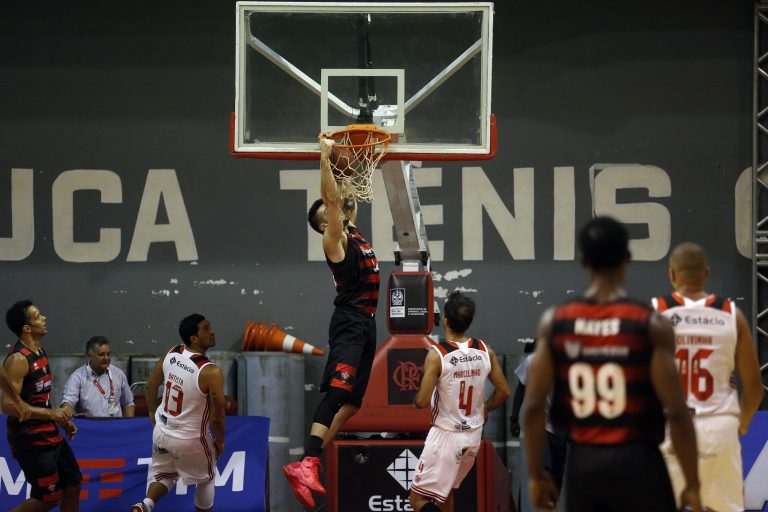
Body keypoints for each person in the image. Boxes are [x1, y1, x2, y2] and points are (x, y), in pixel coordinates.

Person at [523, 217, 702, 512]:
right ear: (627, 257)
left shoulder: (556, 322)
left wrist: (534, 475)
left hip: (584, 465)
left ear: (583, 261)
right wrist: (692, 482)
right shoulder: (650, 324)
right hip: (639, 461)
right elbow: (676, 411)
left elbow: (532, 407)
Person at [283, 135, 380, 509]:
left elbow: (345, 198)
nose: (337, 206)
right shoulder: (333, 240)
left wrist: (348, 167)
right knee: (338, 392)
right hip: (350, 323)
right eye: (330, 209)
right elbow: (335, 201)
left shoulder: (353, 231)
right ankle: (307, 461)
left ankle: (311, 461)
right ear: (325, 223)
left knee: (352, 404)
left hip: (366, 323)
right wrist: (325, 157)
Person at [652, 242, 764, 512]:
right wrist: (741, 424)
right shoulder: (731, 315)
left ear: (672, 274)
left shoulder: (656, 313)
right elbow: (755, 389)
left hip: (672, 427)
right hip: (719, 427)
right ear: (706, 273)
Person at [409, 291, 511, 512]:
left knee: (417, 500)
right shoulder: (485, 350)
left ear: (445, 320)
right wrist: (485, 408)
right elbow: (504, 391)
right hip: (473, 436)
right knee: (445, 495)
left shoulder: (437, 354)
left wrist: (416, 399)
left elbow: (422, 401)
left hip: (446, 436)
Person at [131, 314, 226, 512]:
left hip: (162, 432)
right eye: (206, 329)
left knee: (164, 476)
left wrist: (151, 412)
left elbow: (150, 385)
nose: (212, 332)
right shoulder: (210, 371)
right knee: (207, 477)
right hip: (191, 439)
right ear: (194, 338)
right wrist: (219, 441)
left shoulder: (172, 353)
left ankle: (145, 504)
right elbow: (217, 416)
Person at [2, 300, 81, 512]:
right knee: (49, 498)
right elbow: (7, 405)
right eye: (38, 316)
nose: (44, 318)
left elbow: (41, 397)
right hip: (29, 438)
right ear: (27, 328)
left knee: (73, 485)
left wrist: (61, 419)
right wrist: (51, 414)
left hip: (49, 431)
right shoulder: (18, 360)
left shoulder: (39, 350)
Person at [508, 340, 567, 492]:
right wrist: (514, 418)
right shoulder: (532, 361)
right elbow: (520, 388)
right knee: (544, 467)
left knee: (557, 473)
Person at [61, 336, 135, 418]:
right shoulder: (77, 377)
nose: (106, 358)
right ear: (89, 356)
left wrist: (129, 423)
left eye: (108, 354)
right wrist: (68, 412)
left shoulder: (118, 374)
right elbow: (68, 402)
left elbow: (128, 403)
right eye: (101, 355)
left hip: (115, 424)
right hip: (91, 424)